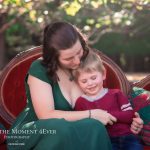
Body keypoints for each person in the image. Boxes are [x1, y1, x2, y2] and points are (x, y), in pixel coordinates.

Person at [7, 21, 143, 150]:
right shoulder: (40, 68)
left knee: (94, 126)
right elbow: (46, 115)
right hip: (34, 133)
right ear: (52, 57)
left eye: (79, 52)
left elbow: (104, 104)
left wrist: (130, 121)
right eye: (68, 58)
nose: (78, 61)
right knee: (61, 127)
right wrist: (91, 114)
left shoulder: (87, 65)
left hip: (73, 132)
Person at [73, 52, 143, 150]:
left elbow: (129, 115)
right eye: (84, 81)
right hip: (105, 141)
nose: (90, 83)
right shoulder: (80, 102)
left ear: (103, 75)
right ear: (77, 83)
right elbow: (82, 126)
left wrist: (106, 114)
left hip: (127, 137)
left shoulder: (116, 94)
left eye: (93, 78)